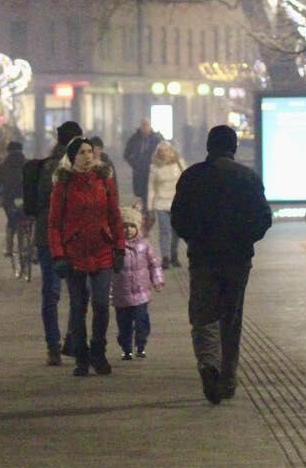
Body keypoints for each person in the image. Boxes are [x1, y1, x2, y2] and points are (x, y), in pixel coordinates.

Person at [171, 124, 272, 404]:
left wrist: (195, 238)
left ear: (208, 146)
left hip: (203, 257)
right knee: (231, 316)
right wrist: (245, 239)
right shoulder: (248, 177)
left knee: (203, 315)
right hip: (238, 260)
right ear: (234, 147)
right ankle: (228, 377)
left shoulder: (192, 177)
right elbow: (264, 218)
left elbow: (178, 218)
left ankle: (208, 364)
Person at [48, 136, 126, 377]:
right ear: (72, 157)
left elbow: (114, 216)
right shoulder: (63, 184)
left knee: (102, 304)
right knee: (78, 306)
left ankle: (99, 353)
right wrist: (58, 255)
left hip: (102, 249)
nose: (88, 155)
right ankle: (81, 357)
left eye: (89, 151)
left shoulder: (104, 180)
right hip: (74, 254)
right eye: (81, 152)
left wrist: (120, 248)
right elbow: (54, 224)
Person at [25, 121, 82, 365]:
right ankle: (71, 339)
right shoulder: (73, 169)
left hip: (47, 236)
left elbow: (37, 203)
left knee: (51, 291)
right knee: (79, 291)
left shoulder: (46, 166)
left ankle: (53, 346)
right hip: (74, 235)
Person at [110, 204, 164, 360]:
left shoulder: (144, 246)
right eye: (124, 226)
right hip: (121, 295)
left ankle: (141, 344)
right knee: (124, 324)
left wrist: (157, 280)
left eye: (131, 226)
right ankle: (126, 348)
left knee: (142, 321)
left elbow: (154, 264)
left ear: (138, 227)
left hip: (141, 294)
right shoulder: (115, 248)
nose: (127, 230)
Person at [146, 140, 185, 267]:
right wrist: (150, 207)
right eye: (161, 151)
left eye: (166, 150)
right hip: (161, 203)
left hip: (177, 203)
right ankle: (165, 257)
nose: (164, 153)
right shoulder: (154, 167)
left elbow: (187, 182)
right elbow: (151, 187)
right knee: (165, 231)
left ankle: (174, 254)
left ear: (172, 151)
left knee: (176, 232)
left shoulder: (180, 164)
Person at [0, 139, 26, 259]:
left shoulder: (4, 166)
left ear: (8, 151)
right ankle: (27, 246)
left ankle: (9, 248)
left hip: (9, 200)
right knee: (26, 220)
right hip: (26, 199)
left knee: (11, 221)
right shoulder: (28, 164)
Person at [123, 119, 163, 207]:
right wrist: (134, 164)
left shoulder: (157, 139)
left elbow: (163, 153)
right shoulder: (134, 139)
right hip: (139, 171)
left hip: (153, 171)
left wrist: (158, 164)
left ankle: (148, 212)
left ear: (150, 126)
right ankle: (146, 213)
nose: (145, 127)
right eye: (143, 125)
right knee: (142, 193)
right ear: (140, 126)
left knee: (152, 193)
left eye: (147, 125)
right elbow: (126, 154)